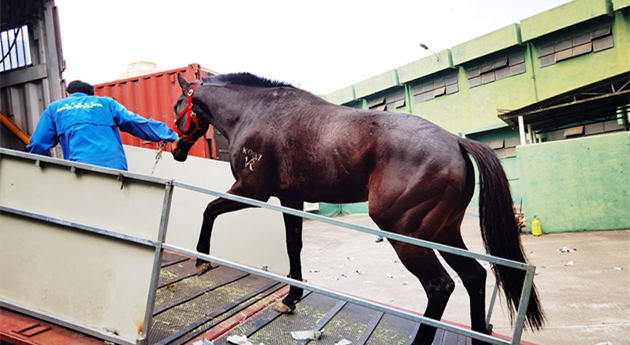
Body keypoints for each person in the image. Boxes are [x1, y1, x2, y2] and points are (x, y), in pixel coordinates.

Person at [27, 80, 178, 171]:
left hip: (80, 171)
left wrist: (48, 170)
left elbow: (37, 144)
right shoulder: (106, 103)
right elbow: (135, 122)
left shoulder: (55, 109)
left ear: (68, 94)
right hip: (116, 170)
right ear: (91, 95)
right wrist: (171, 135)